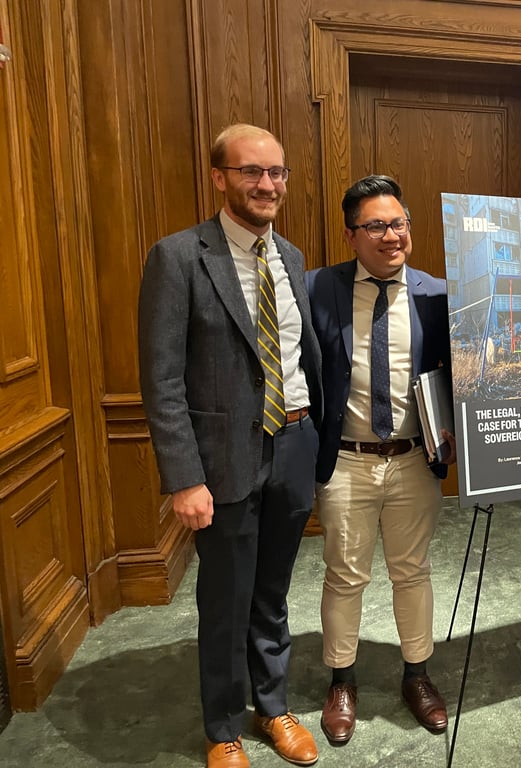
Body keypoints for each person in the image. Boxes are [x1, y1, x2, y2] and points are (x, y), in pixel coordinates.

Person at [138, 124, 322, 768]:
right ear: (220, 177)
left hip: (294, 442)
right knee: (225, 598)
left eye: (276, 172)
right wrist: (184, 477)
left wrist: (317, 440)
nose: (267, 184)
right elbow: (162, 378)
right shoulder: (179, 257)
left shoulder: (291, 256)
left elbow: (301, 355)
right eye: (251, 171)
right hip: (221, 461)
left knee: (272, 591)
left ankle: (273, 706)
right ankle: (223, 727)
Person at [306, 174, 455, 747]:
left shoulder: (437, 295)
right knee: (345, 575)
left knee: (412, 571)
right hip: (347, 460)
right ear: (351, 235)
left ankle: (417, 675)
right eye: (376, 226)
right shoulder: (318, 288)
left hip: (414, 459)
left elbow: (460, 372)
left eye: (399, 224)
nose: (392, 236)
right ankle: (341, 682)